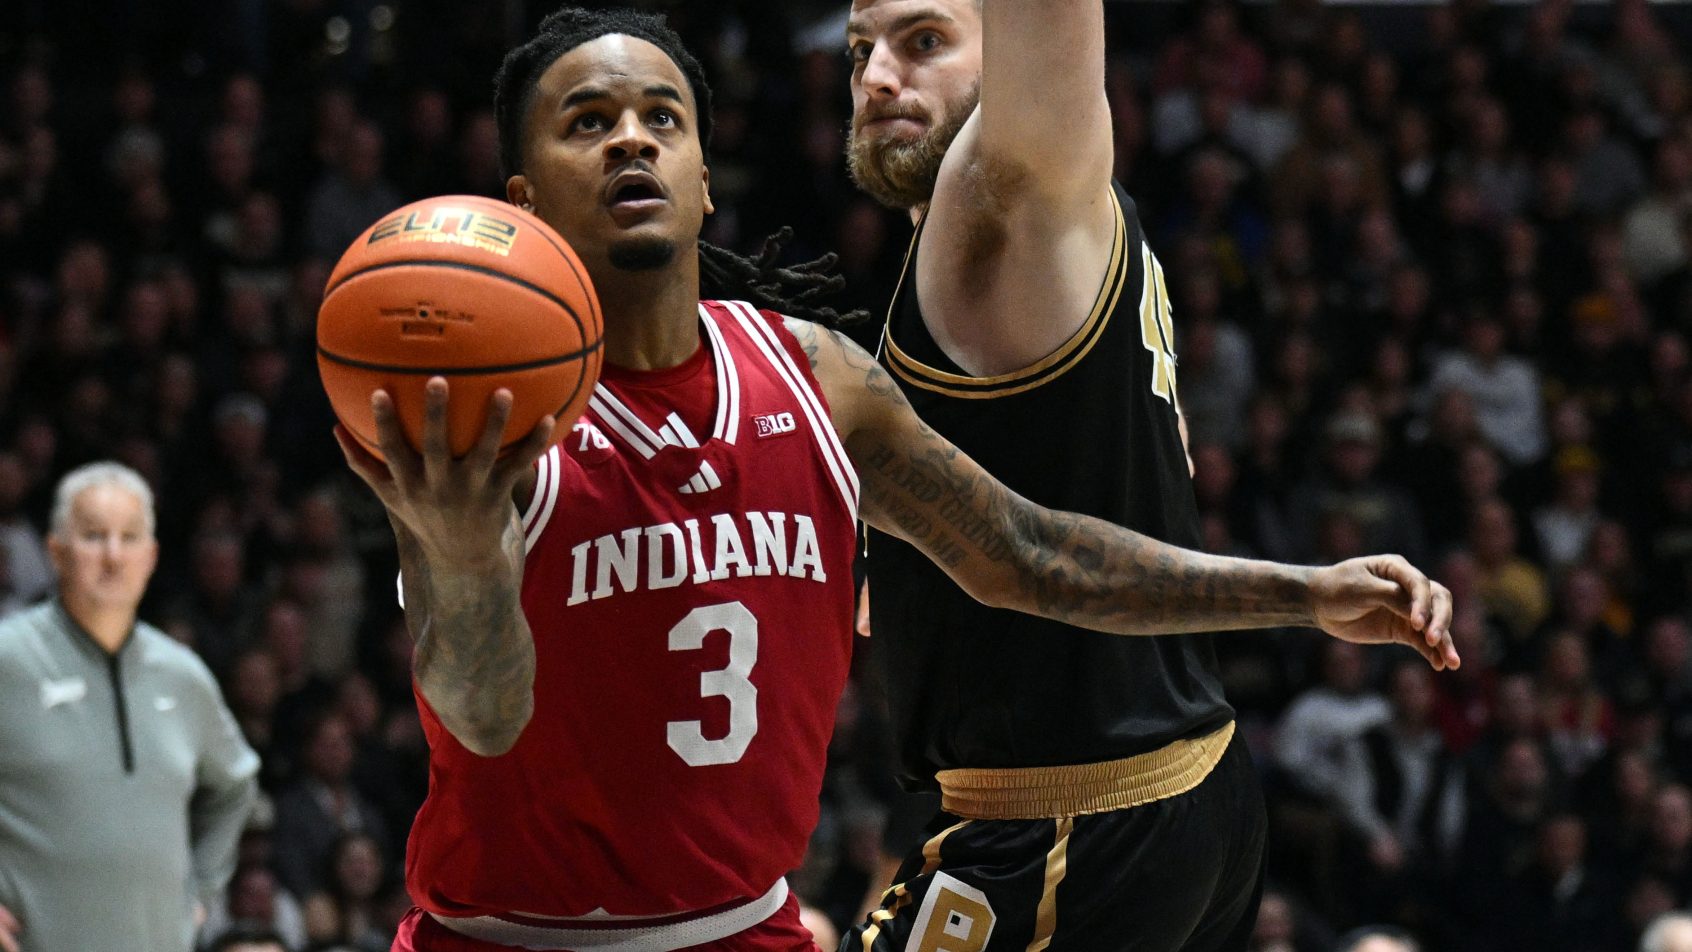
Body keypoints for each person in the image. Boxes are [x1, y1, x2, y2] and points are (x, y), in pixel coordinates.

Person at [336, 9, 1456, 951]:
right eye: (591, 123)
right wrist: (462, 551)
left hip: (746, 927)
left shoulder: (820, 377)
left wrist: (1302, 594)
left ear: (706, 179)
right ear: (524, 199)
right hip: (503, 934)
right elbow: (481, 718)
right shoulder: (487, 423)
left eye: (660, 119)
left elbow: (1033, 554)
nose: (633, 142)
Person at [842, 1, 1445, 948]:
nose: (877, 77)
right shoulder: (1047, 257)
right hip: (1189, 789)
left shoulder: (1003, 192)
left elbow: (1035, 554)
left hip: (1068, 825)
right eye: (859, 50)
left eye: (924, 42)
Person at [0, 462, 259, 952]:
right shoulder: (8, 658)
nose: (113, 556)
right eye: (94, 536)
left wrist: (201, 889)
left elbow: (236, 784)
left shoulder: (183, 675)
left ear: (152, 556)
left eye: (130, 537)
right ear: (56, 551)